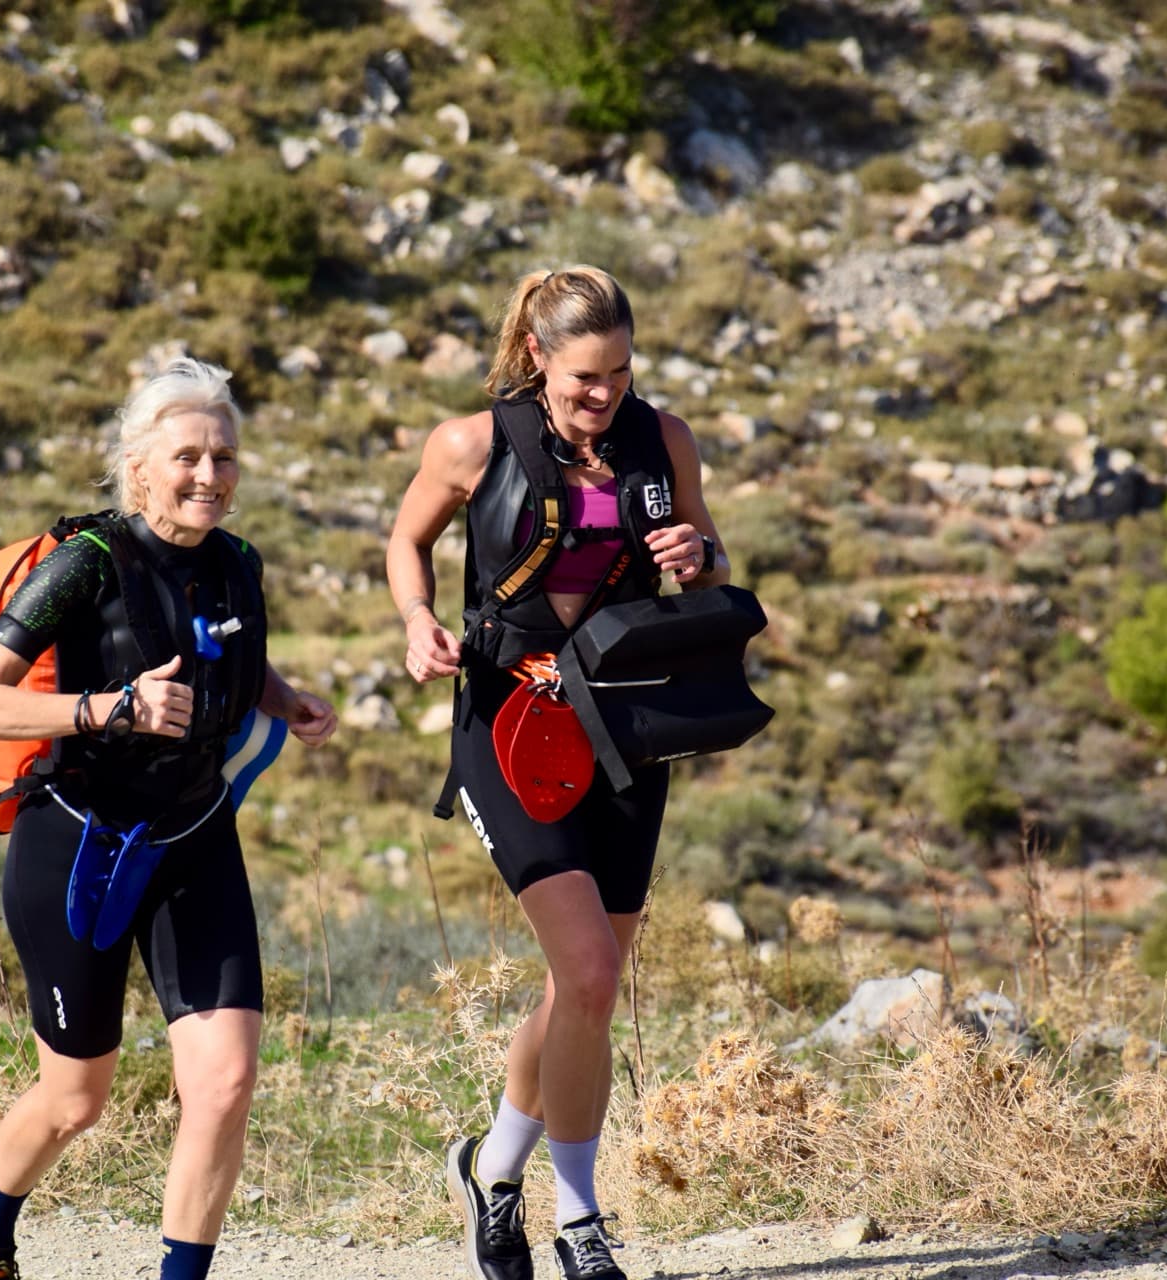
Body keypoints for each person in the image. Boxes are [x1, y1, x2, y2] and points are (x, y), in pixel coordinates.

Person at [0, 357, 337, 1280]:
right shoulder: (82, 564)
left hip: (195, 840)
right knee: (76, 1099)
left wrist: (284, 700)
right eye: (187, 457)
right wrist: (111, 708)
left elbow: (226, 658)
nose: (210, 475)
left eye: (224, 457)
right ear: (139, 469)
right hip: (76, 845)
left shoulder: (239, 563)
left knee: (225, 1080)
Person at [386, 266, 730, 1280]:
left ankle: (491, 1168)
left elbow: (712, 556)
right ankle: (579, 1218)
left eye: (621, 371)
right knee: (586, 973)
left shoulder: (664, 439)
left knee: (585, 988)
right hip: (507, 723)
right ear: (537, 355)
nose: (604, 392)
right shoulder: (471, 443)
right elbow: (407, 539)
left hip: (623, 728)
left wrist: (698, 554)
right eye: (585, 375)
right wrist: (417, 618)